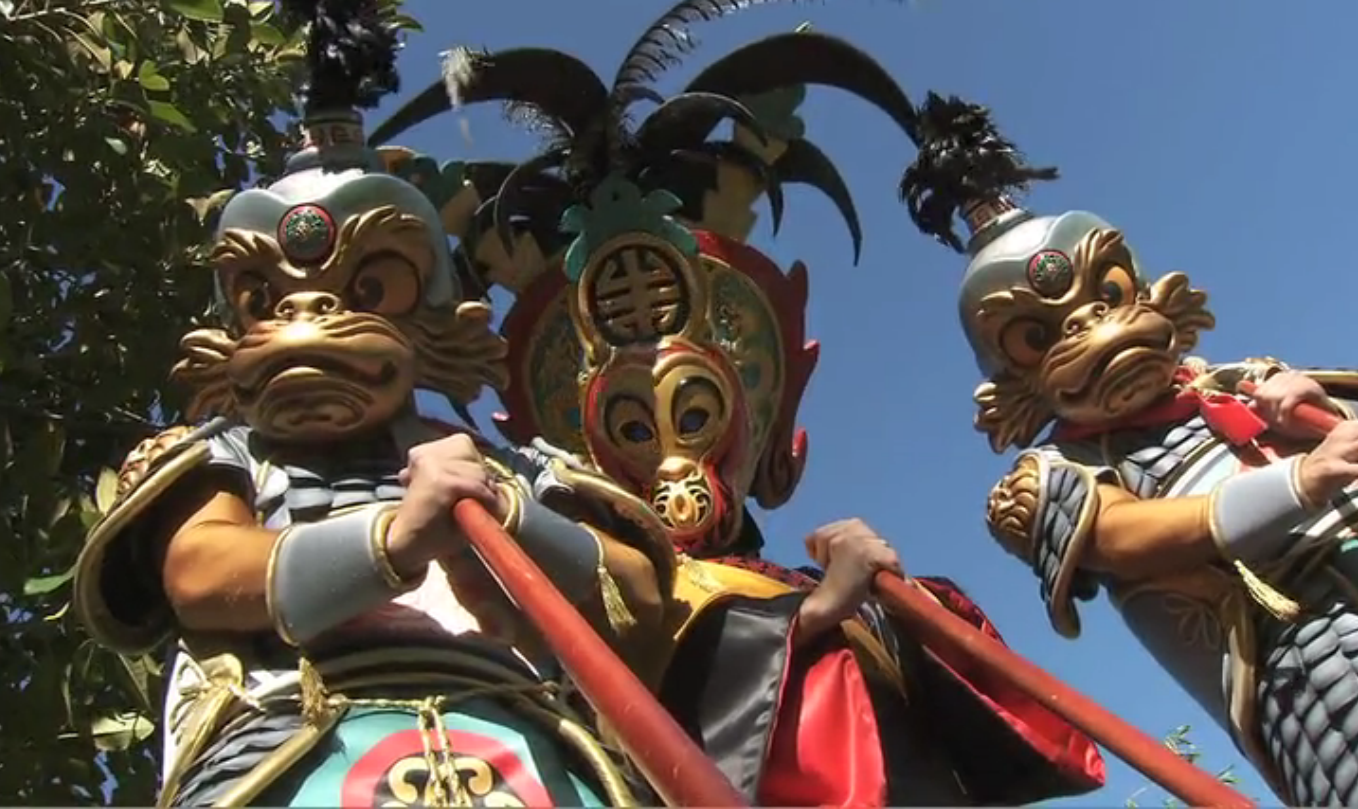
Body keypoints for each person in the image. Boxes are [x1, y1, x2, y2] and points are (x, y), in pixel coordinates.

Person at [368, 7, 1108, 803]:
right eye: (629, 428)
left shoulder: (797, 579)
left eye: (695, 416)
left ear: (773, 438)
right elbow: (633, 689)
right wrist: (820, 611)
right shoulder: (610, 579)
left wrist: (902, 603)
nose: (673, 457)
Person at [71, 2, 677, 805]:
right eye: (266, 297)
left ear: (423, 316)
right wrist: (392, 538)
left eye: (364, 289)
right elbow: (200, 567)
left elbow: (637, 596)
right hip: (294, 736)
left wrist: (513, 519)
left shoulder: (512, 466)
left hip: (519, 742)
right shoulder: (227, 457)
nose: (308, 316)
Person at [899, 89, 1358, 807]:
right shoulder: (1055, 473)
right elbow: (1124, 535)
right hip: (1314, 650)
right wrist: (1299, 483)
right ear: (1009, 371)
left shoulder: (1236, 380)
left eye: (1106, 296)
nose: (1097, 328)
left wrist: (1313, 408)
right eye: (1043, 334)